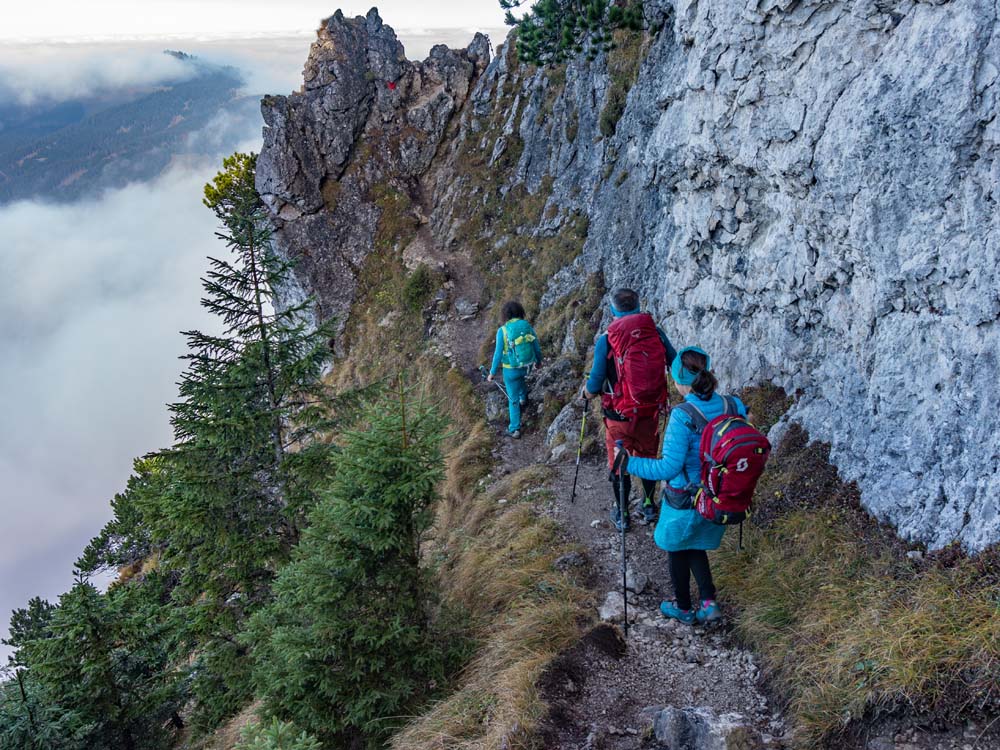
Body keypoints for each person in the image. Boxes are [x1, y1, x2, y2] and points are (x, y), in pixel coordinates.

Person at [618, 346, 748, 625]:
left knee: (677, 549)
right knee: (695, 545)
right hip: (720, 495)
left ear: (680, 380)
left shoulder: (683, 415)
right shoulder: (734, 405)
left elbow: (668, 468)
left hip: (686, 498)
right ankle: (709, 604)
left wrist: (629, 463)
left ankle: (684, 608)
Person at [582, 288, 676, 530]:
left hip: (618, 416)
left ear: (613, 311)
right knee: (647, 458)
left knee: (619, 460)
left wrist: (587, 393)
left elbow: (594, 383)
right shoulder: (655, 333)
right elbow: (675, 363)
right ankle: (648, 504)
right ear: (638, 305)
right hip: (649, 413)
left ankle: (622, 512)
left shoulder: (607, 339)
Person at [488, 301, 542, 439]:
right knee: (521, 379)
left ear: (505, 315)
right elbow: (536, 346)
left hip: (510, 370)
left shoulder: (503, 331)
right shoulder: (526, 326)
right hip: (526, 366)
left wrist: (492, 373)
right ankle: (524, 398)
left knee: (512, 398)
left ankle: (515, 428)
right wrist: (539, 361)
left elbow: (498, 354)